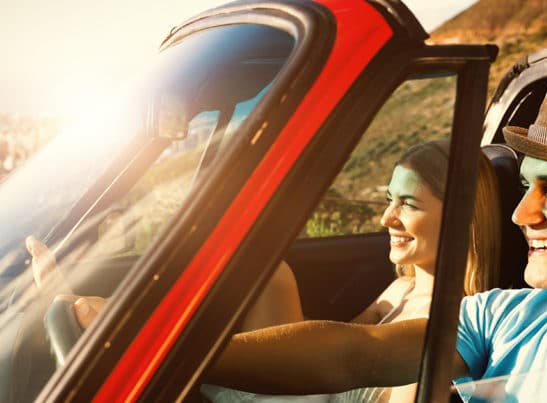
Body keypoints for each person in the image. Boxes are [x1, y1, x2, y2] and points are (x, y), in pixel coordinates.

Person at [205, 68, 547, 402]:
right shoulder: (510, 314)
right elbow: (356, 352)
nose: (520, 214)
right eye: (526, 186)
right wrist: (180, 359)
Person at [28, 138, 503, 403]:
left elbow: (354, 358)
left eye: (408, 204)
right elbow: (339, 337)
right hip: (313, 389)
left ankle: (129, 334)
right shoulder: (404, 285)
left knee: (108, 328)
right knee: (265, 270)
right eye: (387, 199)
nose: (386, 218)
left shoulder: (452, 322)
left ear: (460, 218)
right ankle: (125, 334)